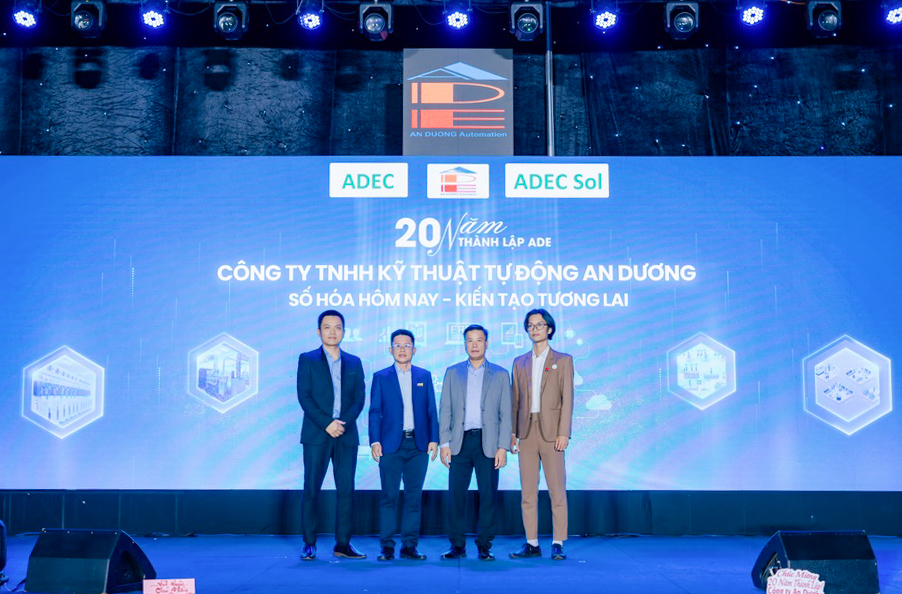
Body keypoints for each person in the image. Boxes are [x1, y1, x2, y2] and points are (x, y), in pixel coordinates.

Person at [296, 310, 366, 560]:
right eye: (327, 327)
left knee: (346, 490)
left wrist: (341, 423)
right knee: (311, 489)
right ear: (319, 332)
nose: (332, 332)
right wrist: (327, 423)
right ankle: (309, 543)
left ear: (344, 332)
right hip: (317, 434)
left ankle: (343, 544)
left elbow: (359, 398)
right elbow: (304, 396)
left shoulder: (354, 362)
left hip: (346, 434)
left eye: (337, 327)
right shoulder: (307, 359)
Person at [439, 324, 512, 561]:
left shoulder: (500, 374)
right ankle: (457, 546)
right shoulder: (453, 372)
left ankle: (484, 545)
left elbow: (506, 413)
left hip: (488, 443)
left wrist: (503, 446)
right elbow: (446, 409)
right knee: (456, 496)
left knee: (488, 496)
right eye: (470, 340)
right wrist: (444, 443)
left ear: (486, 343)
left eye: (479, 340)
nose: (474, 345)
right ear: (464, 344)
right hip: (459, 443)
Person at [369, 329, 439, 562]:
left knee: (413, 498)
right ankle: (387, 546)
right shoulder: (381, 377)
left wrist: (434, 439)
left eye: (406, 345)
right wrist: (375, 440)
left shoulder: (424, 375)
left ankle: (409, 546)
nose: (402, 349)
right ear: (390, 350)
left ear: (414, 349)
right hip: (390, 445)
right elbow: (375, 412)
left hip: (418, 445)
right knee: (389, 497)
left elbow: (431, 410)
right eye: (397, 345)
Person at [509, 309, 574, 561]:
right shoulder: (519, 362)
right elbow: (515, 401)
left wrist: (564, 432)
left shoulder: (563, 360)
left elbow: (567, 400)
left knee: (557, 489)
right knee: (528, 491)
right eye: (530, 325)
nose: (534, 329)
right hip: (526, 431)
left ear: (550, 328)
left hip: (552, 432)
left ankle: (558, 542)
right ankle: (532, 543)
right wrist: (512, 433)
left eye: (539, 324)